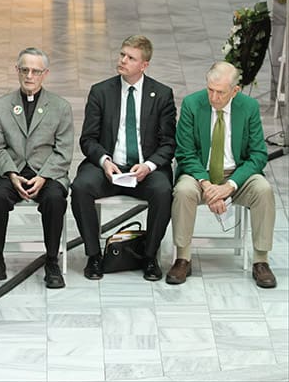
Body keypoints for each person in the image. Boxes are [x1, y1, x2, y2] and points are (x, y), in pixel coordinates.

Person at [71, 35, 176, 282]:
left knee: (164, 191)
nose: (123, 61)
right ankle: (94, 255)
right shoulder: (100, 91)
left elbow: (169, 143)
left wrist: (149, 166)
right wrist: (105, 161)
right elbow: (88, 139)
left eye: (131, 58)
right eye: (122, 55)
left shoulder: (161, 94)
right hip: (110, 167)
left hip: (145, 169)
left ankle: (149, 256)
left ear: (144, 65)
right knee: (80, 187)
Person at [168, 61, 276, 288]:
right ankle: (182, 257)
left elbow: (258, 155)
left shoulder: (248, 107)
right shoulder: (191, 104)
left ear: (235, 91)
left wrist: (230, 186)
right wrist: (208, 186)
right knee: (183, 191)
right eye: (210, 90)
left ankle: (261, 261)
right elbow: (185, 153)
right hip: (200, 173)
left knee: (263, 190)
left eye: (220, 92)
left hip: (237, 174)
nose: (214, 97)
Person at [0, 48, 73, 289]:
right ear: (17, 71)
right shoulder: (1, 106)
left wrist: (43, 176)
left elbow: (64, 152)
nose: (29, 76)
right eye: (24, 70)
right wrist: (12, 175)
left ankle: (52, 261)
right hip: (12, 171)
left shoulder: (60, 107)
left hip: (47, 172)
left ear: (45, 74)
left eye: (35, 71)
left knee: (55, 199)